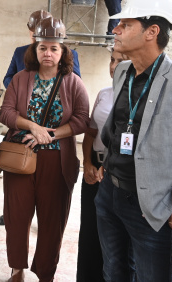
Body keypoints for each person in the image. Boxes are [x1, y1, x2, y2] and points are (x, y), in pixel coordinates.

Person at [96, 0, 172, 282]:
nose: (116, 29)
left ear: (152, 31)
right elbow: (119, 127)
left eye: (125, 25)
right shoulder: (122, 71)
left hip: (153, 208)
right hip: (110, 195)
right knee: (114, 273)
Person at [0, 17, 90, 282]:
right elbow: (6, 112)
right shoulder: (21, 78)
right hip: (21, 159)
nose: (47, 53)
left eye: (54, 48)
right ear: (34, 50)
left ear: (63, 53)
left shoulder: (73, 82)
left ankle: (45, 274)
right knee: (16, 217)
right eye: (42, 48)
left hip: (57, 162)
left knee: (52, 222)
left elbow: (82, 119)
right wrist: (32, 127)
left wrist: (50, 135)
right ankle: (17, 270)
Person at [0, 9, 81, 228]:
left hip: (54, 137)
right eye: (37, 36)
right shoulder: (21, 52)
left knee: (50, 205)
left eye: (53, 47)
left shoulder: (69, 58)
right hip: (23, 124)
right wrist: (23, 88)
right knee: (18, 195)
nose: (47, 51)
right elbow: (8, 78)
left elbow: (74, 86)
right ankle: (14, 216)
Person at [76, 47, 128, 282]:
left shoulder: (136, 99)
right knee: (89, 233)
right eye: (112, 60)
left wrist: (106, 168)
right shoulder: (104, 93)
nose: (113, 66)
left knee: (115, 240)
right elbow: (90, 133)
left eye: (120, 61)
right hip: (92, 172)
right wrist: (86, 163)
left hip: (116, 174)